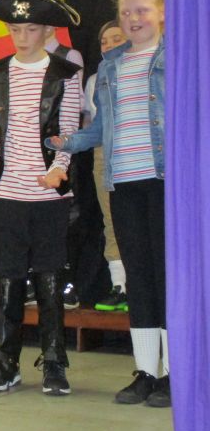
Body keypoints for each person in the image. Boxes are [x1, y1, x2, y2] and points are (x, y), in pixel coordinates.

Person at [46, 0, 168, 407]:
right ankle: (147, 371)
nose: (133, 18)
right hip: (124, 184)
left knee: (166, 277)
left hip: (165, 182)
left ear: (162, 12)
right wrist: (68, 142)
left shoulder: (178, 58)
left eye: (142, 10)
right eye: (126, 12)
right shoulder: (111, 66)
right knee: (139, 279)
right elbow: (100, 127)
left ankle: (175, 373)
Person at [0, 0, 82, 396]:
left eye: (31, 29)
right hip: (9, 196)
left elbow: (68, 132)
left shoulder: (65, 74)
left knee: (49, 278)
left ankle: (54, 361)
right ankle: (5, 361)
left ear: (47, 30)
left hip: (49, 196)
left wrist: (58, 168)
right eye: (15, 29)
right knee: (10, 278)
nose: (22, 37)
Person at [83, 20, 129, 312]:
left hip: (137, 152)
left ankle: (146, 284)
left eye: (116, 38)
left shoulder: (147, 70)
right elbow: (90, 122)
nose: (109, 45)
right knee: (111, 219)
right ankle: (120, 286)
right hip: (103, 153)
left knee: (141, 220)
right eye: (104, 41)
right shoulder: (94, 80)